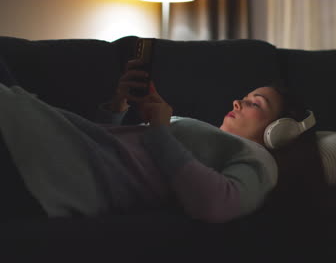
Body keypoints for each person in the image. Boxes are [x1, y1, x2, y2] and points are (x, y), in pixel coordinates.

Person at [0, 59, 306, 223]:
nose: (238, 102)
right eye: (244, 97)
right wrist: (120, 108)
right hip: (62, 141)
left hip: (60, 165)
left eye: (255, 104)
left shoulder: (259, 159)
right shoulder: (206, 135)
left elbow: (216, 204)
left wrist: (160, 130)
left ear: (279, 130)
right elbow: (118, 146)